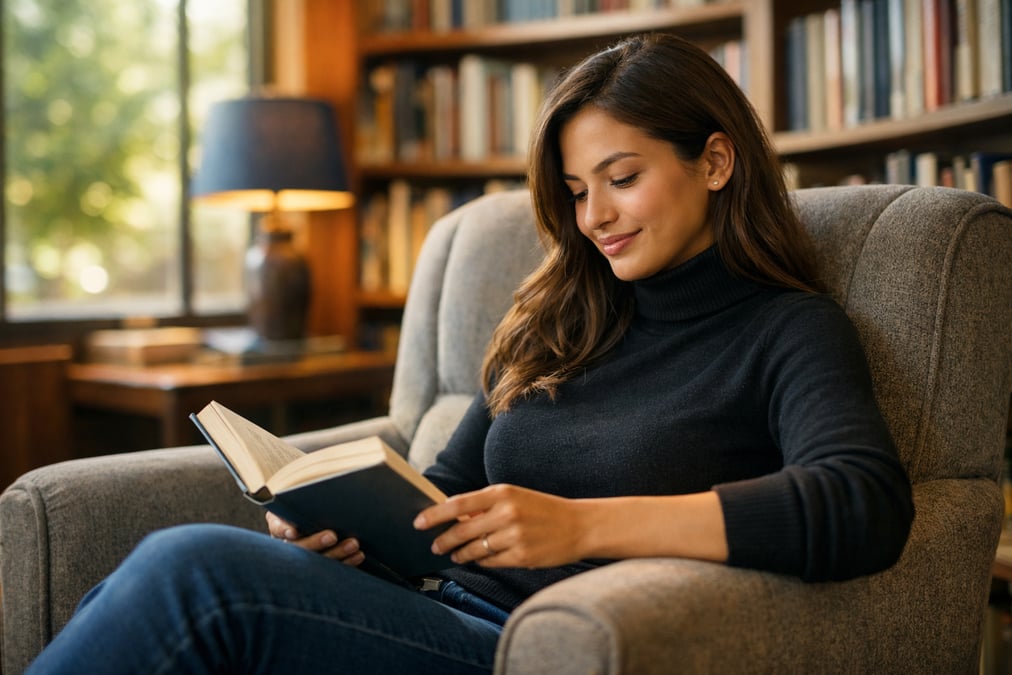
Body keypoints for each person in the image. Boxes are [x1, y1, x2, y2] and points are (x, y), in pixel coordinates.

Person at [26, 33, 913, 674]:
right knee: (162, 571)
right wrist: (351, 536)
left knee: (192, 572)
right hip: (424, 603)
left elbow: (861, 501)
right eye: (573, 191)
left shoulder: (785, 329)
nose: (594, 215)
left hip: (524, 642)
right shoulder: (556, 318)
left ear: (715, 161)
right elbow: (445, 495)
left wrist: (583, 524)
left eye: (623, 176)